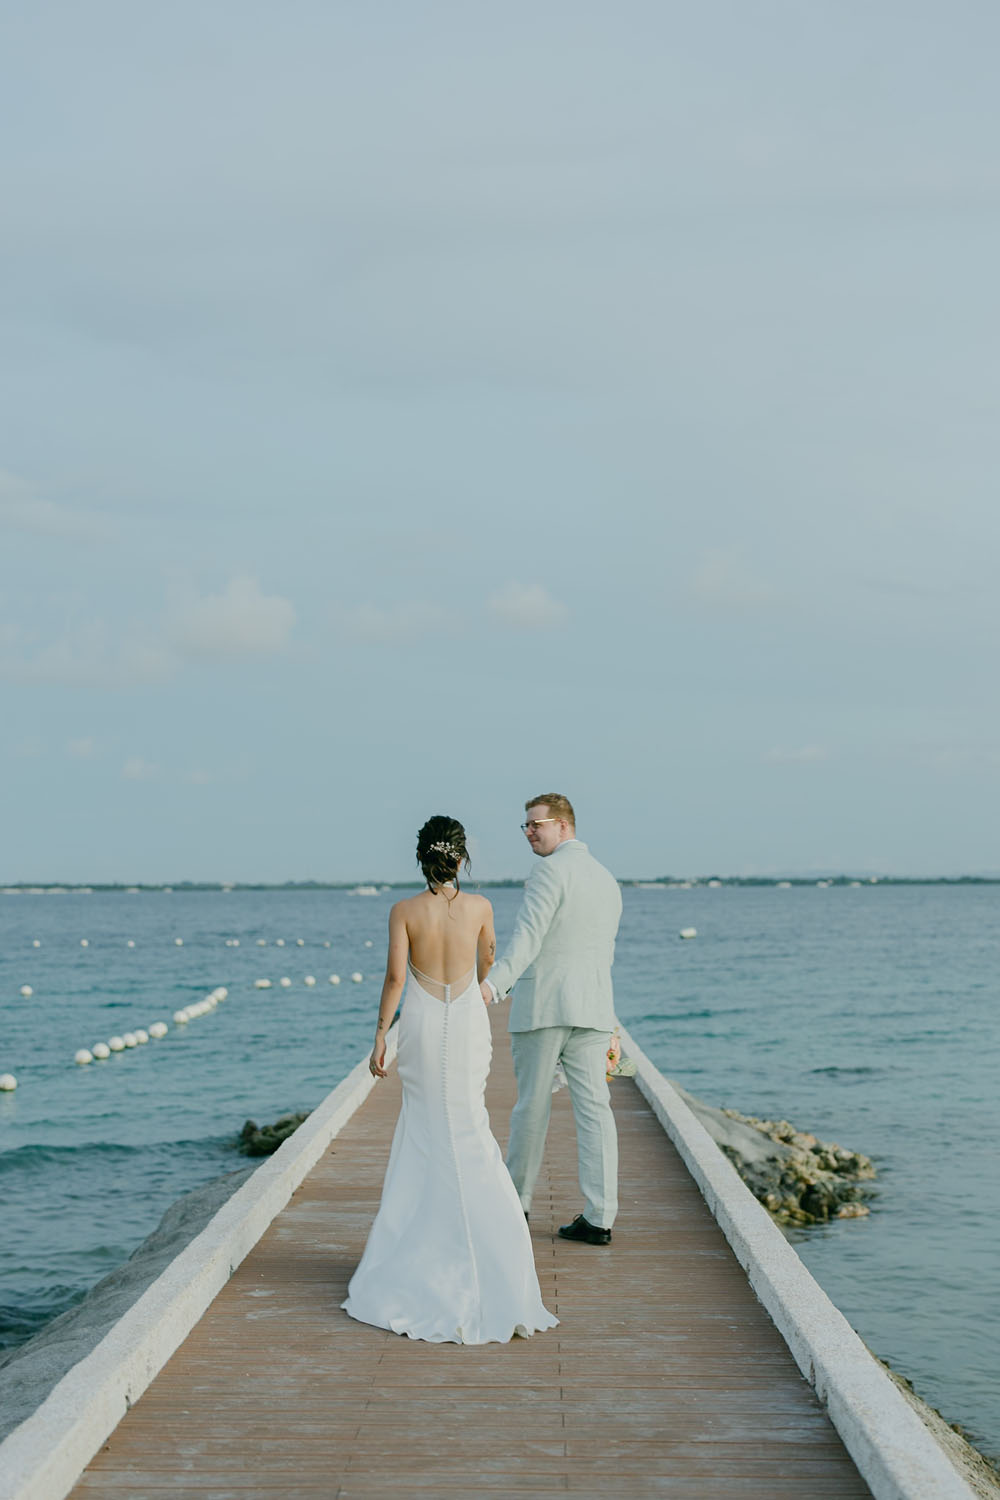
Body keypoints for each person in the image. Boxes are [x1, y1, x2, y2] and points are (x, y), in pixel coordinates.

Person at [342, 815, 558, 1344]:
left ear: (422, 857)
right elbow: (486, 965)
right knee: (470, 1126)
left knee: (424, 1130)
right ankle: (492, 1255)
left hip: (418, 1024)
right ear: (461, 857)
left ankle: (422, 1258)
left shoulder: (404, 911)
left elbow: (396, 977)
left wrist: (378, 1037)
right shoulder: (481, 907)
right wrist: (471, 973)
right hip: (464, 1022)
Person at [482, 794, 623, 1245]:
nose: (528, 832)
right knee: (596, 1112)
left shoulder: (548, 871)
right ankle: (600, 1218)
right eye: (524, 826)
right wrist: (613, 1023)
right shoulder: (606, 879)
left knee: (531, 1108)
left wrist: (493, 985)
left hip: (545, 1007)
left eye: (535, 824)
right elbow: (605, 957)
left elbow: (527, 938)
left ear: (563, 825)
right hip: (594, 1008)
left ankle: (515, 1204)